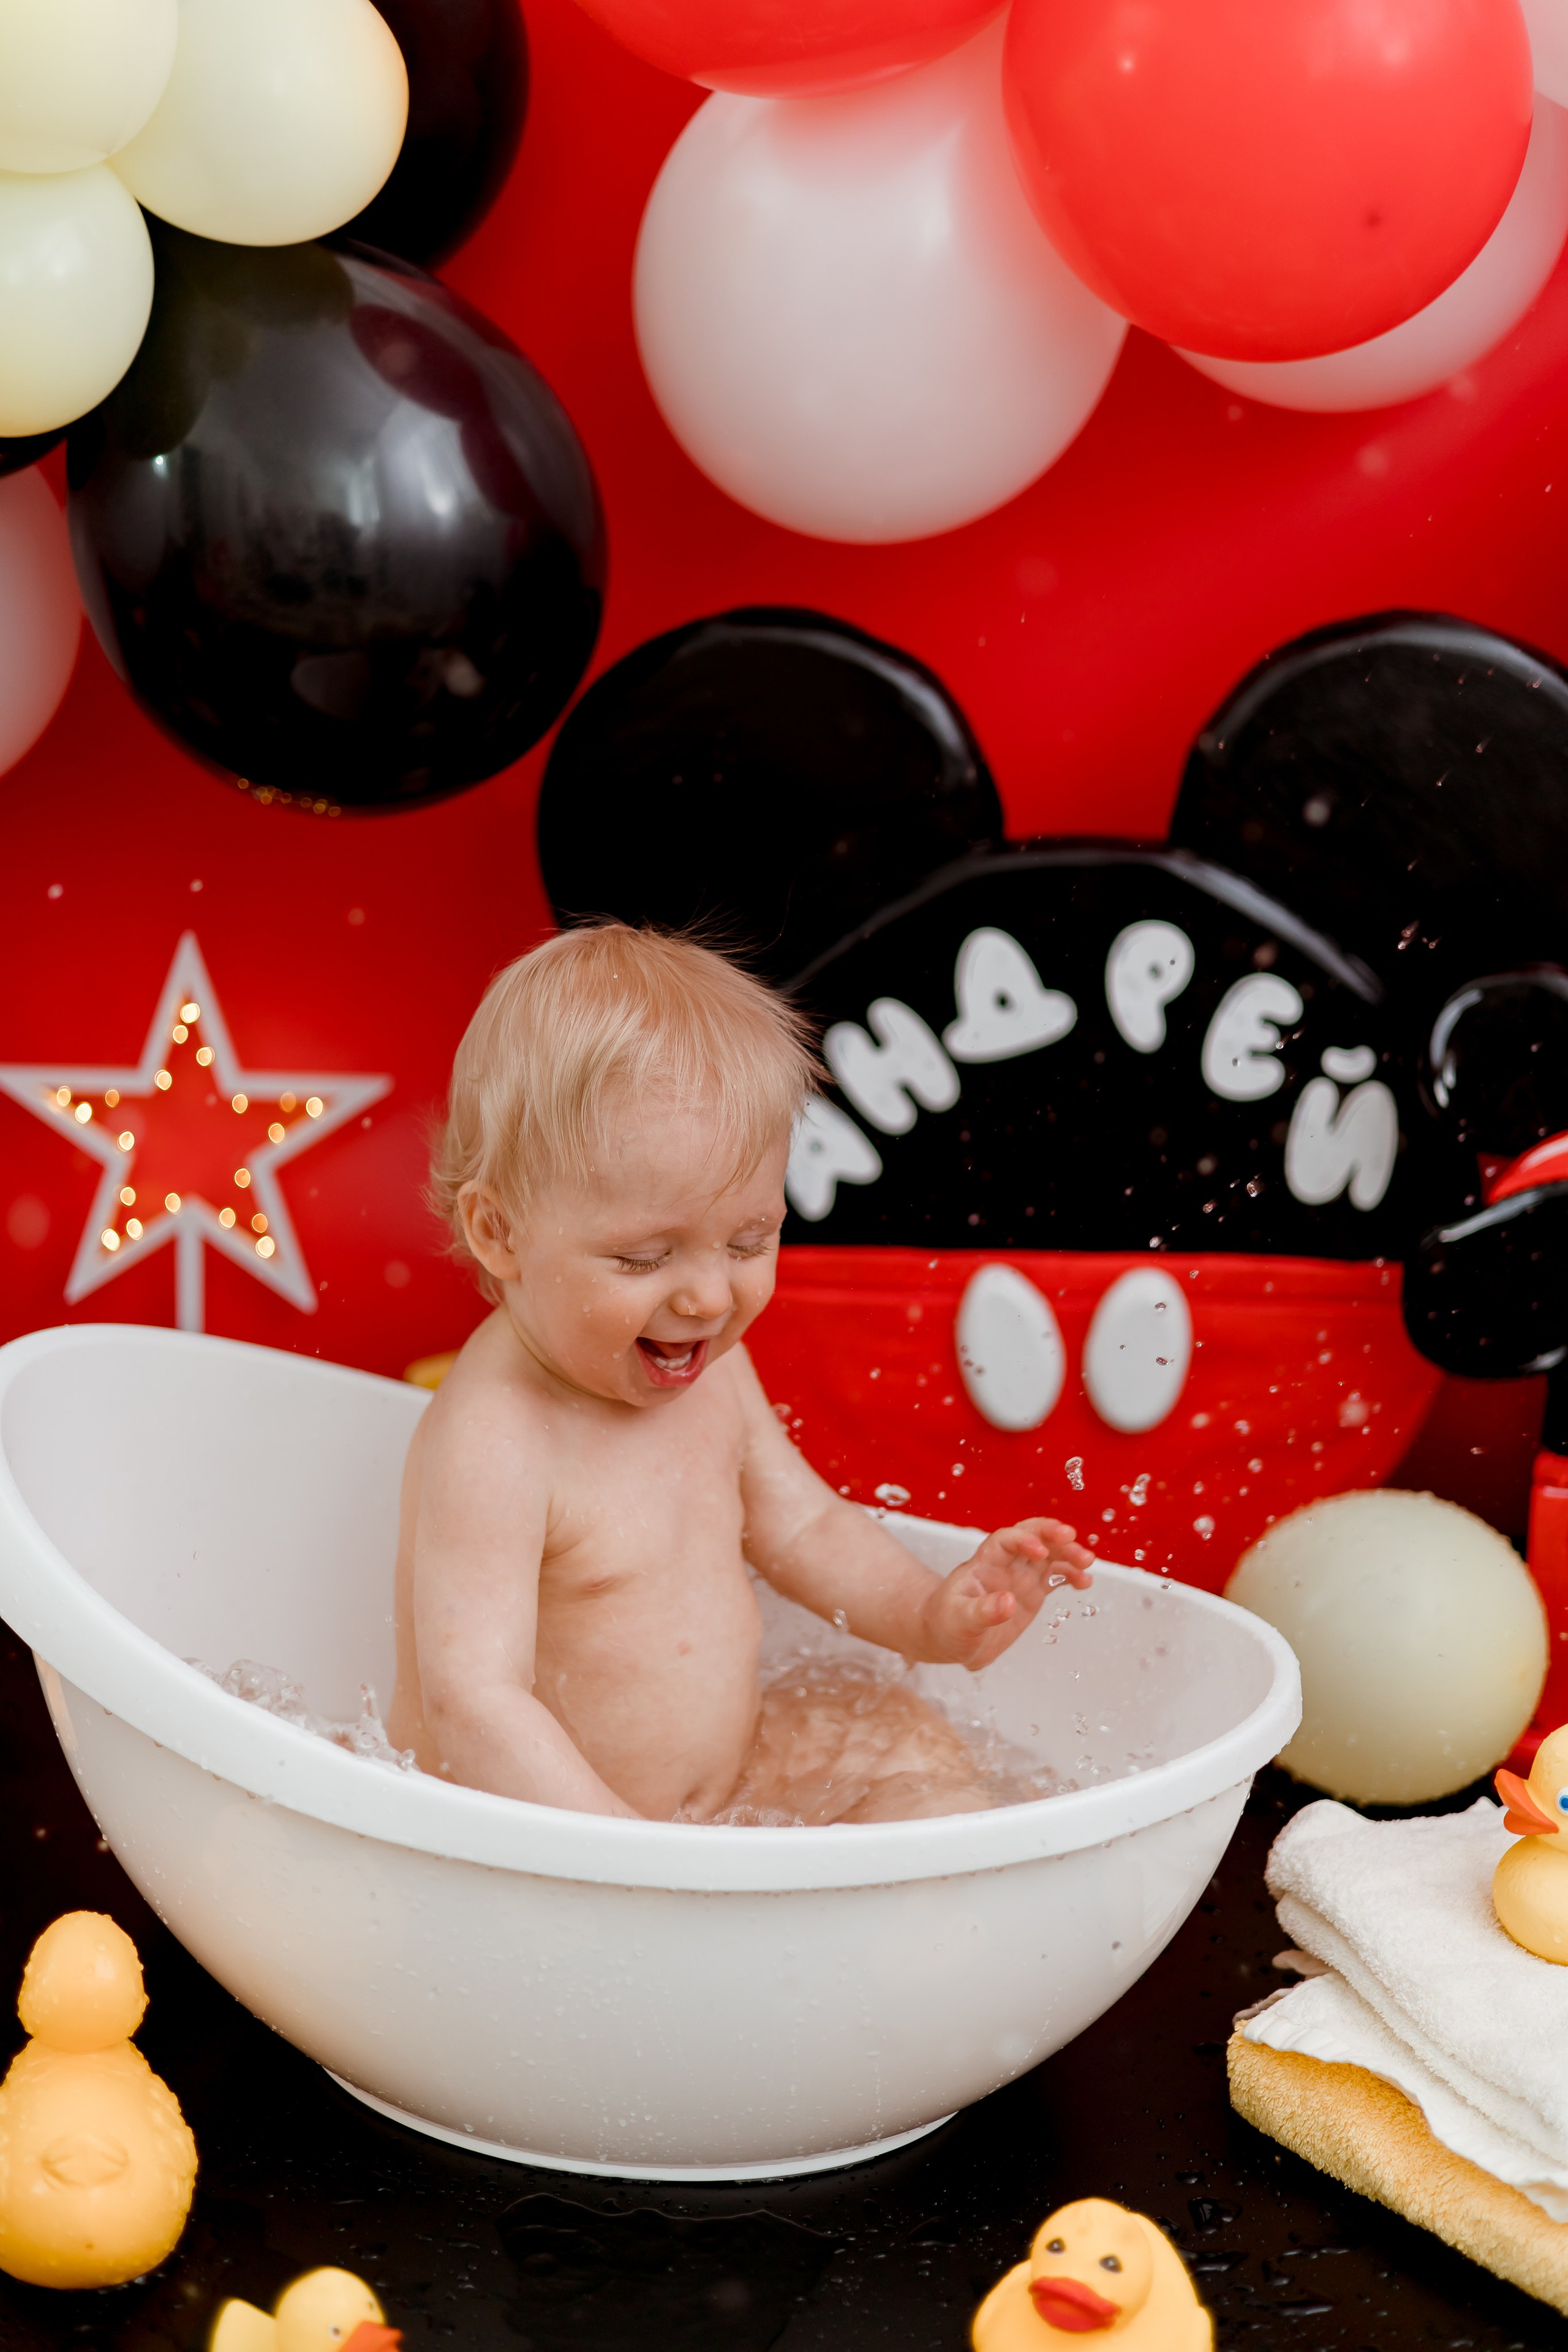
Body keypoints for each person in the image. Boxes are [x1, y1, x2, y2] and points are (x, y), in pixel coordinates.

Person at [388, 924, 1093, 1823]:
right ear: (500, 1233)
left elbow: (803, 1530)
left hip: (725, 1787)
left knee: (913, 1746)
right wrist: (627, 1863)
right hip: (555, 1844)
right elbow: (474, 1703)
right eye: (645, 1259)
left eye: (750, 1241)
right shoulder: (498, 1438)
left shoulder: (710, 1370)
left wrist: (930, 1612)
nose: (709, 1299)